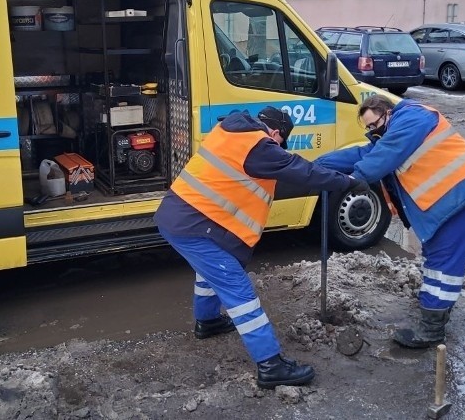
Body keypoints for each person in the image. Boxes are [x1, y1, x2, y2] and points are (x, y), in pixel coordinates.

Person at [153, 106, 369, 389]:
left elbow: (266, 180)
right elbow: (299, 170)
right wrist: (347, 181)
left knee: (209, 272)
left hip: (183, 217)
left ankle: (207, 322)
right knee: (239, 292)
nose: (278, 149)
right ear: (276, 133)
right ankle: (270, 365)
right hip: (194, 226)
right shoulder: (259, 146)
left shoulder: (233, 132)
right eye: (281, 144)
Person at [315, 94, 465, 348]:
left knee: (443, 262)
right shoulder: (394, 130)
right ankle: (437, 310)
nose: (372, 131)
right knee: (436, 257)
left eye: (374, 124)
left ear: (387, 112)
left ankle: (431, 329)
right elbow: (363, 152)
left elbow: (384, 155)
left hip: (462, 196)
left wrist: (353, 179)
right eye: (368, 128)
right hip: (447, 200)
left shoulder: (414, 116)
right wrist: (318, 164)